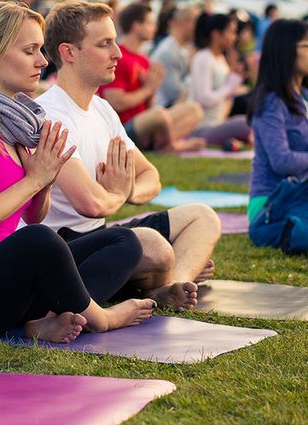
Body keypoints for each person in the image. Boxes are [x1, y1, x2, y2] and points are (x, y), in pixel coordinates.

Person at [0, 2, 156, 343]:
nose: (43, 62)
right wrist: (33, 179)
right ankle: (98, 317)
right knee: (41, 241)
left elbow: (33, 216)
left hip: (5, 280)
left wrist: (43, 180)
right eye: (31, 51)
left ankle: (42, 319)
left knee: (122, 241)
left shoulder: (16, 120)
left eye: (41, 50)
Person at [38, 0, 222, 310]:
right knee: (155, 247)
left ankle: (173, 284)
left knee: (203, 217)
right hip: (64, 247)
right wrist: (119, 192)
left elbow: (151, 176)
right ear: (69, 52)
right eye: (105, 44)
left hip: (104, 235)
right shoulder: (51, 115)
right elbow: (92, 203)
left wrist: (127, 190)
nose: (118, 54)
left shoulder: (102, 109)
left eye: (115, 41)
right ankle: (165, 276)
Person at [98, 3, 205, 153]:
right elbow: (115, 102)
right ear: (136, 26)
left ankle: (160, 144)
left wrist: (152, 88)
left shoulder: (144, 60)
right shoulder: (119, 57)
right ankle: (170, 146)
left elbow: (148, 105)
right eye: (149, 23)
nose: (154, 27)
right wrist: (148, 89)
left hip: (145, 123)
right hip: (122, 128)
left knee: (195, 109)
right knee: (159, 115)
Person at [247, 19, 308, 248]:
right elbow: (281, 160)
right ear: (287, 50)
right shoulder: (272, 101)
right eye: (307, 45)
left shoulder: (302, 96)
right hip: (272, 204)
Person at [189, 12, 252, 150]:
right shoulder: (204, 58)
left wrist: (232, 84)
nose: (234, 37)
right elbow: (204, 99)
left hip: (216, 123)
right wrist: (230, 86)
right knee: (246, 123)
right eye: (231, 32)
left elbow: (224, 97)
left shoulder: (220, 59)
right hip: (201, 126)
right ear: (216, 34)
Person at [150, 6, 199, 107]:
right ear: (183, 23)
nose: (198, 28)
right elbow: (174, 93)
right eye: (195, 23)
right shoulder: (169, 52)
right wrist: (193, 69)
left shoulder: (181, 48)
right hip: (163, 108)